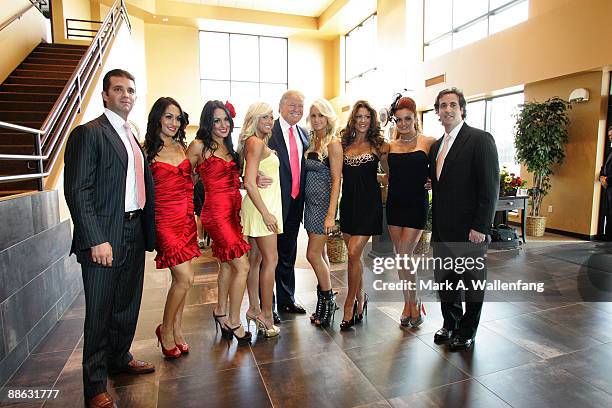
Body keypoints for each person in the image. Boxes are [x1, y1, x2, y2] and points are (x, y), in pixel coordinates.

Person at [64, 69, 156, 408]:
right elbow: (77, 190)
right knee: (100, 311)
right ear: (105, 95)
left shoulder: (130, 134)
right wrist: (96, 239)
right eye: (118, 89)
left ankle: (120, 357)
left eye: (131, 90)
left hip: (133, 228)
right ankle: (94, 386)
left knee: (127, 303)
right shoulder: (89, 134)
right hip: (105, 235)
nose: (126, 95)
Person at [429, 87, 499, 351]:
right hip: (442, 229)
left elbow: (490, 188)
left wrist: (481, 226)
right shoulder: (437, 146)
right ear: (437, 112)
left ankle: (467, 330)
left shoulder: (480, 140)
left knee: (471, 284)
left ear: (461, 109)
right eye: (443, 106)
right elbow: (442, 182)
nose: (447, 109)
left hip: (470, 231)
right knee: (446, 281)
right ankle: (450, 323)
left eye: (452, 105)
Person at [187, 100, 252, 344]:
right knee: (242, 266)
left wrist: (253, 181)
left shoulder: (230, 147)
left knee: (226, 264)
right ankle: (235, 321)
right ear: (208, 122)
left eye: (226, 119)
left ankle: (220, 311)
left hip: (233, 212)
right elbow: (185, 179)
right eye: (217, 120)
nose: (223, 124)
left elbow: (233, 181)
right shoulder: (198, 146)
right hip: (215, 213)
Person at [143, 97, 200, 358]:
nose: (174, 123)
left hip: (186, 218)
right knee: (184, 278)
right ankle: (165, 330)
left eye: (177, 118)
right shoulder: (146, 151)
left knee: (184, 281)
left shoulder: (181, 146)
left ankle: (176, 329)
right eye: (168, 116)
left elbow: (193, 179)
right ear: (157, 118)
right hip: (164, 221)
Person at [385, 96, 437, 328]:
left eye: (408, 119)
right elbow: (387, 174)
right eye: (399, 120)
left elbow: (443, 168)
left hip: (416, 204)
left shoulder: (429, 142)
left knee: (405, 254)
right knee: (401, 256)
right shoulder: (389, 146)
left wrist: (434, 182)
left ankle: (414, 302)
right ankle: (409, 304)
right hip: (395, 204)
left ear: (415, 119)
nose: (403, 123)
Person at [339, 100, 389, 330]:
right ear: (353, 119)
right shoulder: (344, 144)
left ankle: (349, 303)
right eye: (358, 116)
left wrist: (381, 184)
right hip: (348, 205)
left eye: (366, 117)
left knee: (352, 252)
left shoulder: (379, 145)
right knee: (354, 259)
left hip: (369, 206)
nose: (362, 121)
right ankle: (361, 299)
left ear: (372, 120)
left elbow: (391, 175)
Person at [239, 102, 282, 337]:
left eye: (271, 117)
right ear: (255, 119)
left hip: (262, 206)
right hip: (262, 208)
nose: (269, 121)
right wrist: (266, 213)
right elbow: (248, 182)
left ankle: (254, 309)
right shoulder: (255, 142)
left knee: (255, 261)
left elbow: (250, 174)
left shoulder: (257, 143)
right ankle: (266, 315)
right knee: (270, 260)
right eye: (264, 117)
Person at [269, 90, 310, 318]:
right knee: (268, 258)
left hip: (295, 204)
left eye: (300, 106)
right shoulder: (268, 131)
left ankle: (287, 300)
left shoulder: (304, 135)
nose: (296, 109)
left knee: (288, 254)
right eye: (292, 105)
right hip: (272, 205)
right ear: (281, 106)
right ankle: (268, 306)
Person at [303, 98, 341, 327]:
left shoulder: (333, 144)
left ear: (328, 117)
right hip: (309, 206)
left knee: (312, 255)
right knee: (322, 255)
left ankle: (327, 303)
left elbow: (337, 180)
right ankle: (326, 301)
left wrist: (330, 214)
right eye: (313, 115)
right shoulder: (310, 140)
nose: (317, 120)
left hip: (323, 207)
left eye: (321, 115)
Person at [599, 125, 612, 241]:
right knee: (608, 215)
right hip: (608, 190)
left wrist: (607, 180)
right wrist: (601, 177)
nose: (610, 138)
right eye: (609, 136)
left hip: (610, 185)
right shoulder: (610, 151)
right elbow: (603, 168)